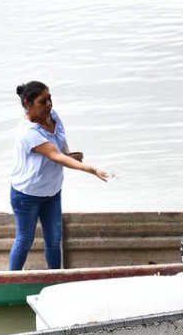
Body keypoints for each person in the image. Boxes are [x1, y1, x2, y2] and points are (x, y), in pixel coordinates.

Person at [9, 81, 110, 270]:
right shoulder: (28, 132)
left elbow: (61, 146)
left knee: (54, 240)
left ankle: (56, 278)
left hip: (52, 192)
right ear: (28, 103)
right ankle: (10, 280)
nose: (49, 104)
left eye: (49, 98)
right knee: (25, 240)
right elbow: (55, 155)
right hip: (26, 195)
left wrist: (70, 154)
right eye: (42, 101)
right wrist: (91, 169)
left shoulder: (53, 116)